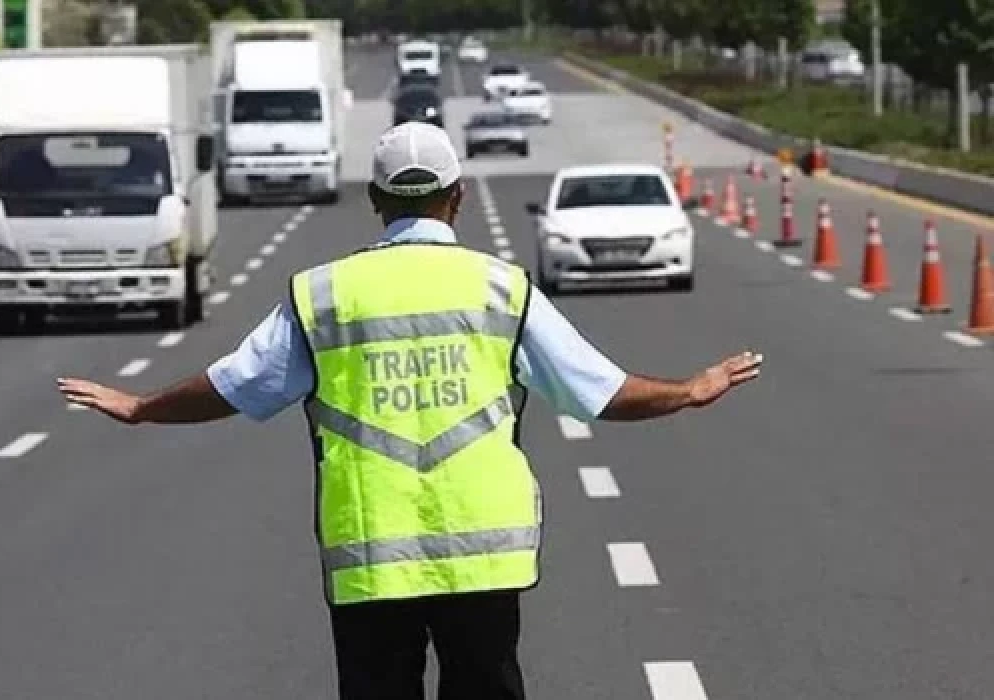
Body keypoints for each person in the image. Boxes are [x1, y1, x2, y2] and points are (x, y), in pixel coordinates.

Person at [57, 121, 763, 700]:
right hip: (485, 558)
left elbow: (236, 385)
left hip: (371, 555)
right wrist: (688, 391)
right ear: (456, 197)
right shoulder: (500, 288)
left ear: (375, 199)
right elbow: (598, 391)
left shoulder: (324, 294)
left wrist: (143, 406)